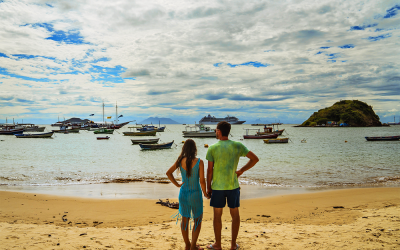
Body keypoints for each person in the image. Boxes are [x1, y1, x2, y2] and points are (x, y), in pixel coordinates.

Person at [206, 121, 259, 250]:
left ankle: (218, 244)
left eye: (215, 130)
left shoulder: (212, 148)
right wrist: (241, 170)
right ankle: (233, 245)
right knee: (235, 215)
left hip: (218, 187)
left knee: (217, 216)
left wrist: (208, 187)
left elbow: (210, 170)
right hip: (233, 186)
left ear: (219, 131)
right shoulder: (238, 145)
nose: (215, 133)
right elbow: (255, 159)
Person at [166, 139, 209, 250]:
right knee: (197, 219)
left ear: (184, 148)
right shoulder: (199, 162)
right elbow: (202, 181)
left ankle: (187, 245)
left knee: (184, 220)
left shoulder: (180, 160)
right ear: (195, 149)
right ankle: (193, 246)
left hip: (184, 193)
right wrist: (205, 193)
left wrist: (177, 184)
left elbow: (168, 173)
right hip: (195, 194)